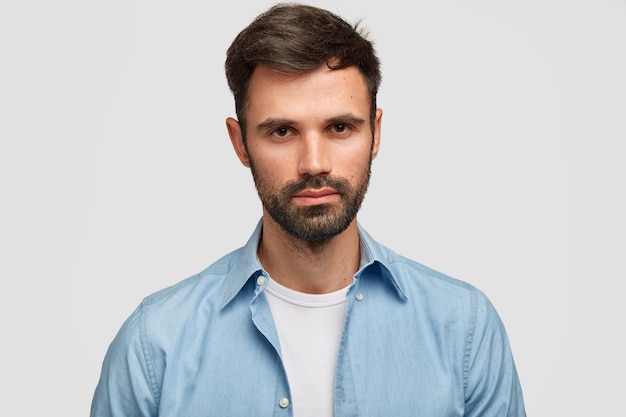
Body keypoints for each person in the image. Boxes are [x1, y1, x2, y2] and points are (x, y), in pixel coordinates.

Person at [90, 3, 526, 416]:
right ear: (240, 142)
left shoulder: (464, 329)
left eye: (340, 127)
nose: (314, 163)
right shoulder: (154, 344)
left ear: (375, 133)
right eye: (282, 131)